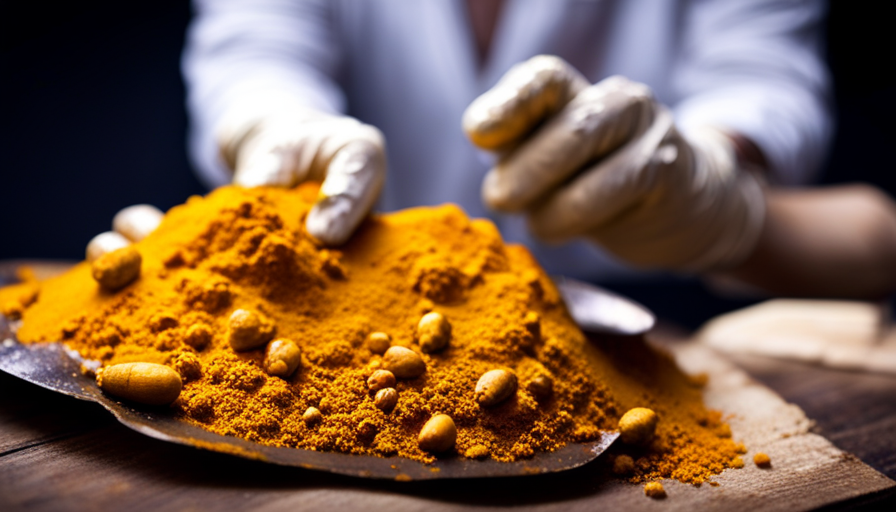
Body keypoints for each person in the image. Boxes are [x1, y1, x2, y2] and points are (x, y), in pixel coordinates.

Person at [90, 0, 896, 299]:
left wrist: (703, 176)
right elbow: (256, 50)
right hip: (348, 302)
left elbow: (764, 80)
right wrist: (272, 126)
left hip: (637, 314)